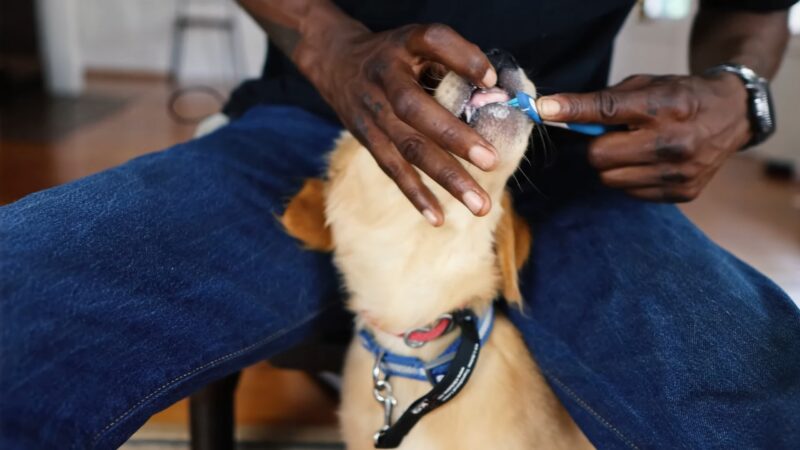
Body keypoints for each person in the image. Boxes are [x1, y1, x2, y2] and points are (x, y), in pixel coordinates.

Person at [1, 0, 799, 448]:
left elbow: (753, 7)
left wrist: (738, 89)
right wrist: (330, 42)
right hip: (308, 125)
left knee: (761, 405)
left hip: (567, 147)